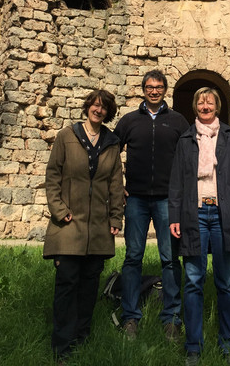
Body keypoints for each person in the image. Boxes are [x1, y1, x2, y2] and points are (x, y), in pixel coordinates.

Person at [169, 87, 230, 366]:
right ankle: (193, 347)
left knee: (226, 282)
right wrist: (175, 216)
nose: (205, 106)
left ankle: (229, 347)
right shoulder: (185, 140)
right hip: (194, 214)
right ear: (195, 107)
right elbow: (177, 181)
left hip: (223, 215)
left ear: (217, 106)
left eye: (210, 102)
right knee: (193, 281)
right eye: (200, 102)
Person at [43, 89, 124, 363]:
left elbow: (115, 184)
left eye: (104, 108)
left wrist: (115, 217)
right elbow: (53, 174)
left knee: (89, 285)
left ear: (108, 113)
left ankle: (82, 337)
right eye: (95, 105)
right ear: (87, 107)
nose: (98, 111)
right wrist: (58, 209)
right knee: (67, 284)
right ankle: (61, 346)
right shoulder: (66, 136)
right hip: (69, 224)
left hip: (99, 227)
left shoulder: (112, 143)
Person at [114, 69, 189, 340]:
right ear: (143, 89)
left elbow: (188, 157)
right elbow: (112, 151)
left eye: (158, 87)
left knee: (170, 259)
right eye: (149, 87)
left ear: (165, 90)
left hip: (167, 199)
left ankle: (171, 318)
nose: (154, 91)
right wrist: (116, 185)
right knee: (133, 257)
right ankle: (130, 317)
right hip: (135, 198)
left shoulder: (178, 121)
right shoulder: (129, 121)